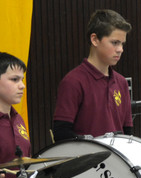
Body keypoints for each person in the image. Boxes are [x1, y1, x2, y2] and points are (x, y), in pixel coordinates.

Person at [53, 9, 132, 141]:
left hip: (116, 160)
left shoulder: (121, 82)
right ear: (95, 40)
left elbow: (127, 132)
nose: (120, 49)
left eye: (122, 44)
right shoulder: (73, 82)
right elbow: (61, 134)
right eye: (114, 42)